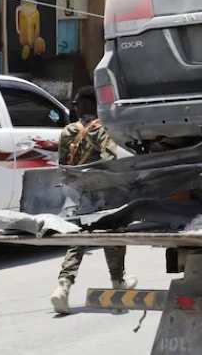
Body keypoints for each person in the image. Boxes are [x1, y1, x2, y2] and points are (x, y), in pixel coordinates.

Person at [51, 86, 137, 315]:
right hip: (101, 192)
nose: (75, 106)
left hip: (78, 194)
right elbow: (110, 160)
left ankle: (63, 286)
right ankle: (117, 282)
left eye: (77, 102)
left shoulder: (67, 131)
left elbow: (62, 166)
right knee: (111, 234)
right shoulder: (102, 129)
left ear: (86, 104)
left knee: (77, 238)